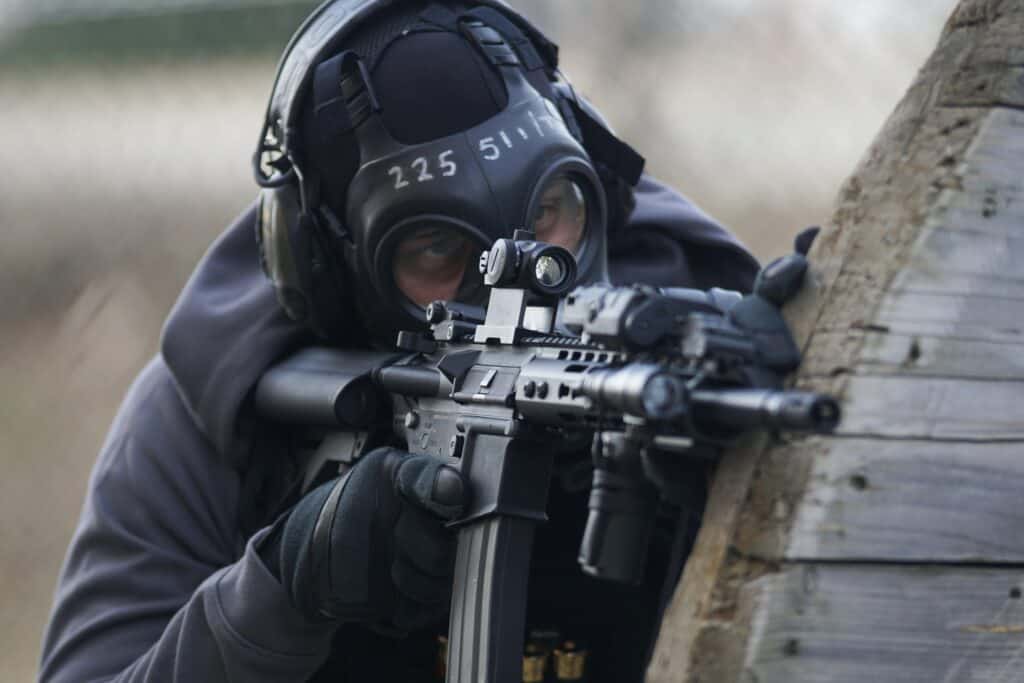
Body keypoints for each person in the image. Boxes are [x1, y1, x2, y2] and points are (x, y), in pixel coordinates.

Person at [39, 1, 762, 681]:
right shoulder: (223, 406)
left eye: (549, 211)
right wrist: (281, 592)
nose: (528, 274)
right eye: (438, 251)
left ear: (595, 186)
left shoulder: (703, 347)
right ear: (327, 267)